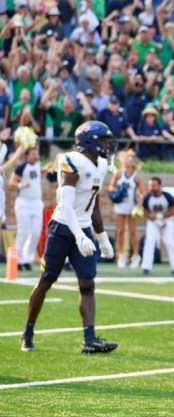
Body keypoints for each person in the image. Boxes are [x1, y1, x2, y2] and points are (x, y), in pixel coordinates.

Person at [20, 121, 118, 354]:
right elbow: (66, 203)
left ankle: (89, 339)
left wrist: (101, 237)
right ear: (88, 142)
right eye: (102, 140)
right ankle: (28, 332)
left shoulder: (101, 165)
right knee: (47, 280)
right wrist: (78, 236)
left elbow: (92, 205)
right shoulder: (71, 161)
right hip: (62, 228)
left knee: (87, 283)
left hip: (83, 229)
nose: (106, 144)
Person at [8, 136, 43, 272]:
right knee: (23, 231)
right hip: (24, 203)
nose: (36, 156)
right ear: (27, 156)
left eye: (37, 154)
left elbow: (38, 174)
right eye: (33, 154)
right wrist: (21, 184)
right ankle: (18, 260)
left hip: (36, 203)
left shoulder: (38, 165)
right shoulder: (22, 167)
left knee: (35, 232)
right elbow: (11, 183)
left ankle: (27, 259)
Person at [107, 149, 144, 269]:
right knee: (120, 231)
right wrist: (116, 193)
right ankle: (122, 255)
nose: (127, 161)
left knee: (133, 231)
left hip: (132, 206)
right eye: (125, 159)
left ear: (133, 162)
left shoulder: (137, 176)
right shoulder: (118, 173)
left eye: (129, 159)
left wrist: (140, 203)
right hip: (120, 205)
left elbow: (143, 192)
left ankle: (135, 255)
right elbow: (111, 186)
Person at [140, 177, 174, 275]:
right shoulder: (147, 197)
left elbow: (173, 210)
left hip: (167, 220)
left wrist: (161, 216)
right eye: (150, 186)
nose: (152, 188)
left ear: (160, 186)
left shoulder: (167, 196)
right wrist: (152, 217)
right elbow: (145, 210)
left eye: (154, 186)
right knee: (150, 240)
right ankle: (146, 266)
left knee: (169, 241)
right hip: (153, 221)